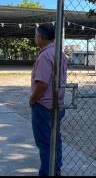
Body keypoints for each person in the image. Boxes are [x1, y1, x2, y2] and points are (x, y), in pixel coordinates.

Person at [30, 23, 67, 176]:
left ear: (41, 37)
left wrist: (32, 100)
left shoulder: (45, 55)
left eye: (36, 35)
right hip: (57, 104)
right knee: (55, 139)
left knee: (44, 143)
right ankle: (56, 169)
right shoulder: (60, 53)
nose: (35, 38)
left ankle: (47, 173)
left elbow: (42, 84)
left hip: (43, 105)